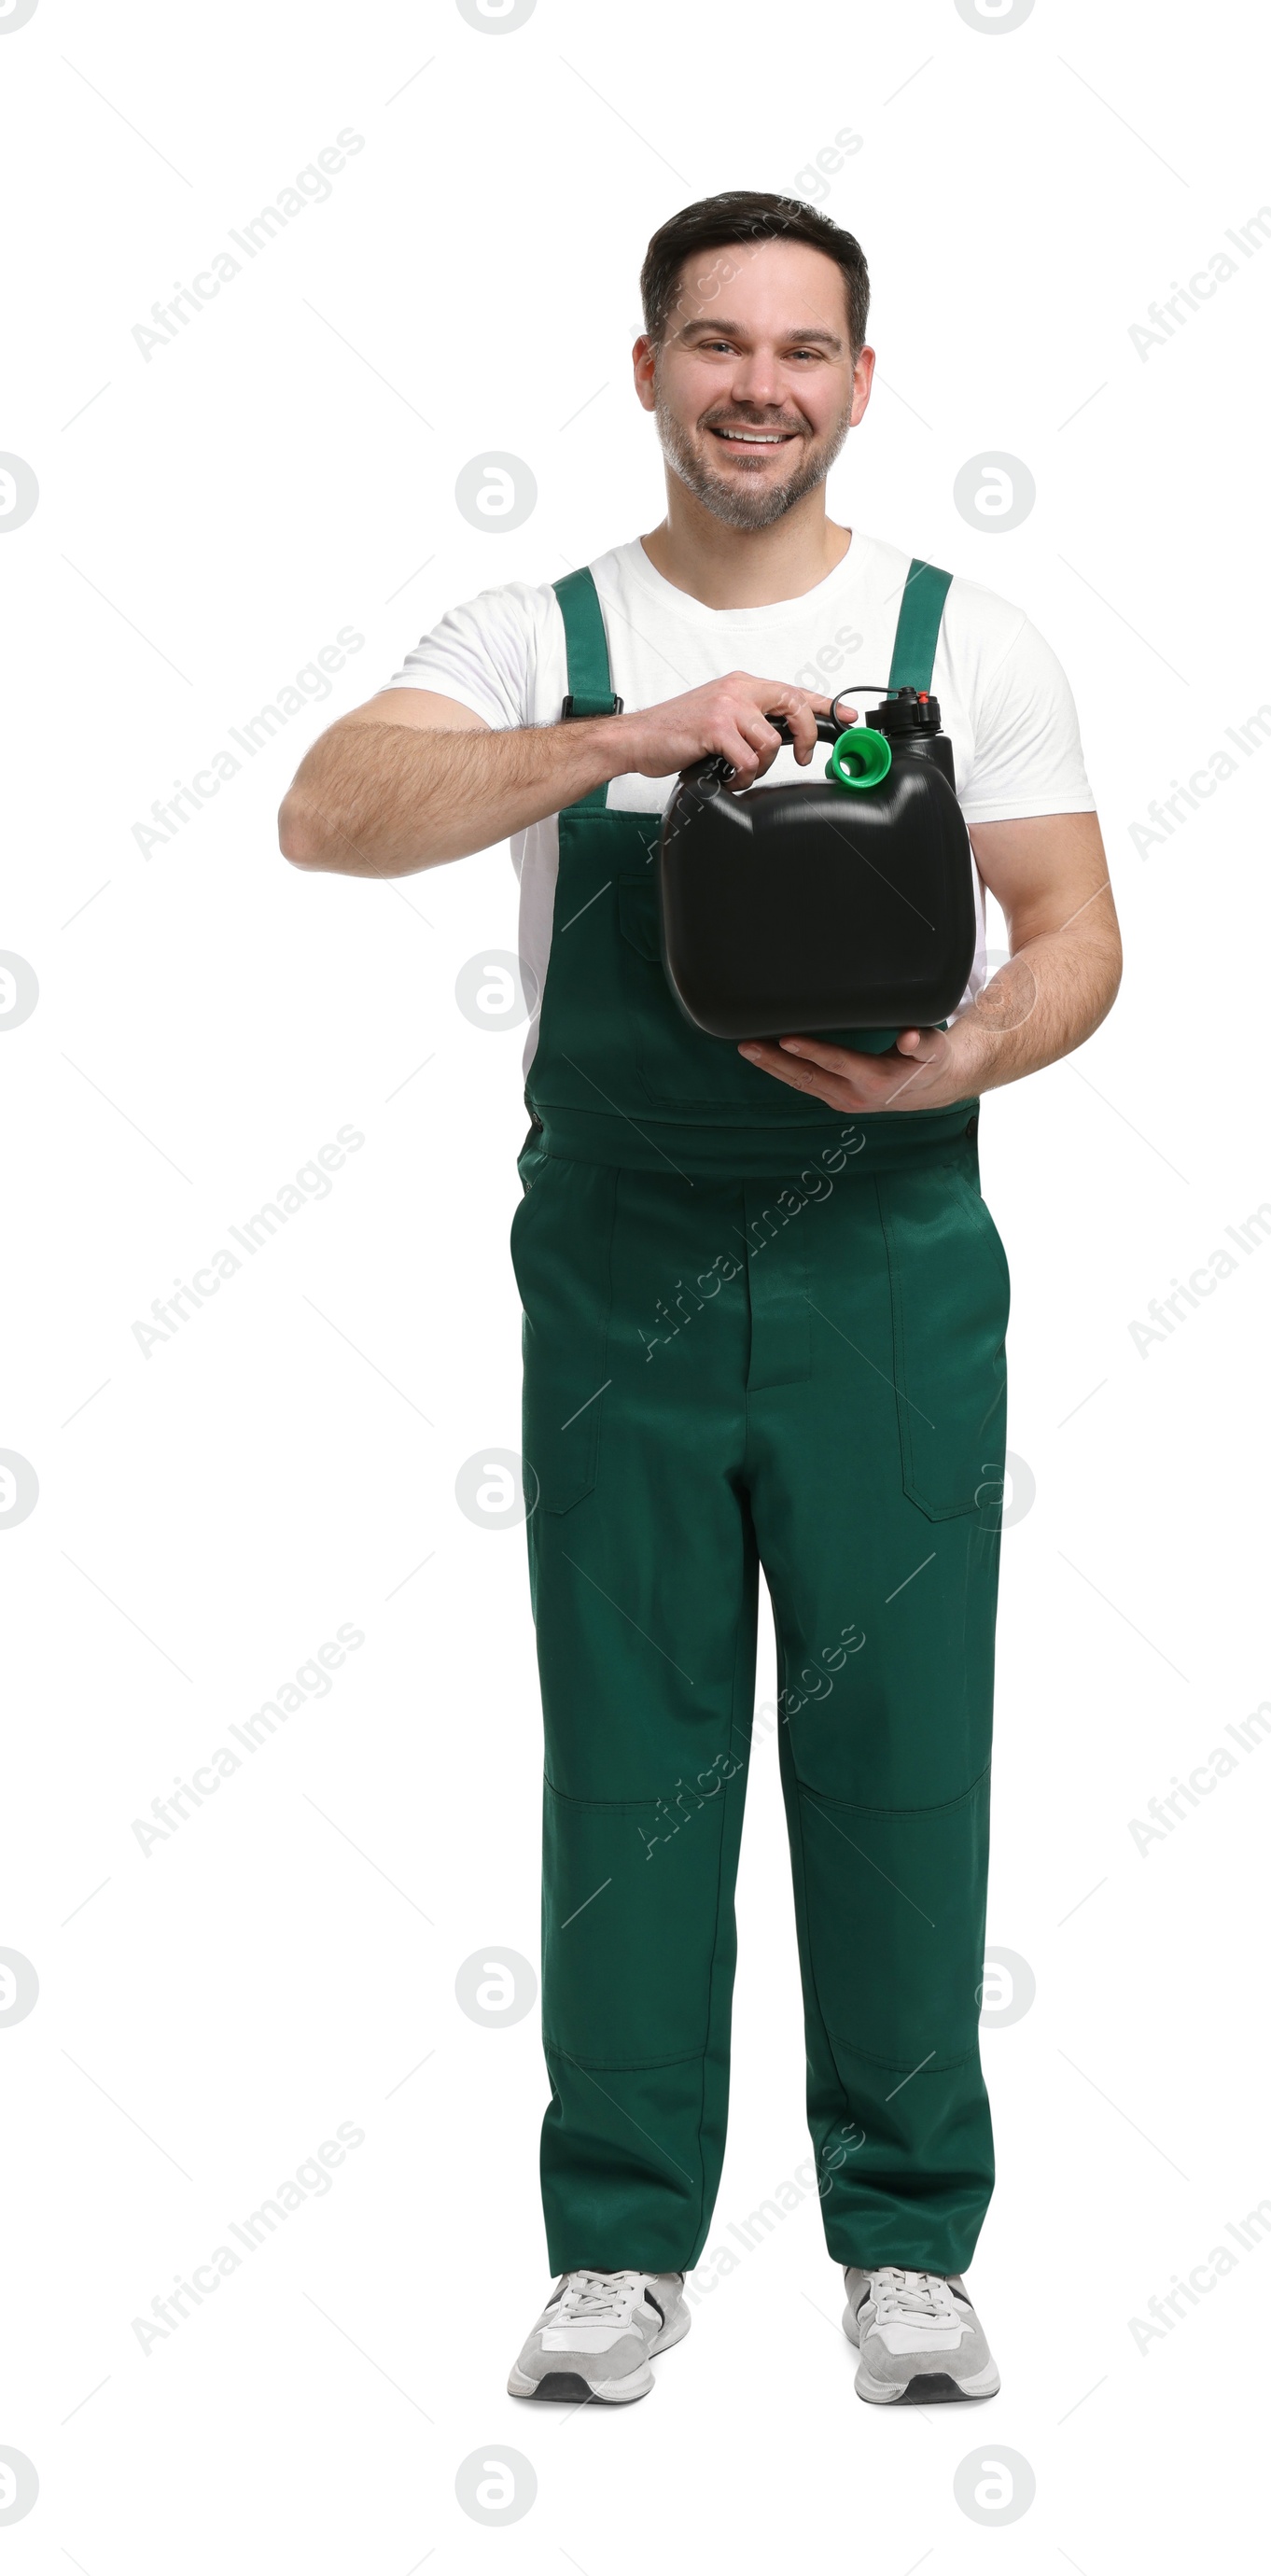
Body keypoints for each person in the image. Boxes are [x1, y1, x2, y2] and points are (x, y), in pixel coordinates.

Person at [279, 189, 1122, 2408]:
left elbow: (1073, 936)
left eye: (802, 347)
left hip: (893, 1264)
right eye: (715, 342)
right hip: (625, 1270)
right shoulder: (538, 632)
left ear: (858, 381)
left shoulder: (974, 637)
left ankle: (906, 2246)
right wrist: (627, 736)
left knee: (899, 1750)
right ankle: (620, 2247)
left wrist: (962, 1049)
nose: (758, 382)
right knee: (631, 1762)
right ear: (645, 369)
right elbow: (328, 812)